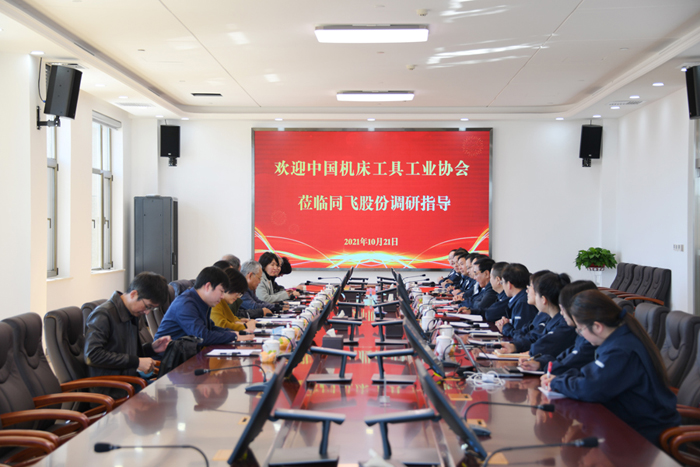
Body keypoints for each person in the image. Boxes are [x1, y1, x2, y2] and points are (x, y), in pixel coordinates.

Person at [542, 290, 680, 446]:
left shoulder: (621, 350)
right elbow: (593, 375)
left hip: (644, 436)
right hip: (627, 424)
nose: (580, 334)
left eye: (580, 329)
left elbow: (591, 388)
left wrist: (557, 383)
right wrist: (562, 379)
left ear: (597, 327)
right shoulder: (617, 340)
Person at [84, 272, 171, 399]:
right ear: (134, 294)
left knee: (173, 391)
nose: (147, 312)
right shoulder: (103, 315)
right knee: (167, 399)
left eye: (152, 309)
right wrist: (136, 362)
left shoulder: (131, 313)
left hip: (130, 381)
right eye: (148, 306)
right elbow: (92, 355)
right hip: (112, 389)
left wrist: (151, 348)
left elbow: (126, 352)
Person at [154, 266, 254, 345]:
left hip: (186, 354)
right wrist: (234, 336)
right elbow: (201, 336)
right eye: (221, 291)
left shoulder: (201, 301)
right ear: (208, 286)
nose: (222, 296)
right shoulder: (186, 304)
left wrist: (236, 333)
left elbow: (210, 328)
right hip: (170, 359)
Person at [518, 280, 597, 374]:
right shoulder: (581, 334)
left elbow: (568, 365)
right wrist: (540, 363)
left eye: (563, 308)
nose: (562, 313)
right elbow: (564, 357)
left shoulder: (589, 336)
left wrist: (549, 371)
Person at [499, 272, 573, 355]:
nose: (526, 291)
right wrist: (515, 346)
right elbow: (531, 336)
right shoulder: (549, 318)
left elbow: (541, 346)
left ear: (543, 299)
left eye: (536, 294)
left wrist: (527, 351)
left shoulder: (563, 323)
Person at [495, 263, 539, 335]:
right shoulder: (520, 299)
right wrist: (509, 322)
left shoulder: (523, 303)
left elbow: (520, 333)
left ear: (509, 284)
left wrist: (505, 327)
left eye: (502, 282)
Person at [211, 267, 257, 332]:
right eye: (237, 293)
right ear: (229, 287)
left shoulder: (223, 301)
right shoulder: (215, 301)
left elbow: (231, 317)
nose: (238, 297)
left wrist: (239, 321)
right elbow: (221, 325)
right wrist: (245, 326)